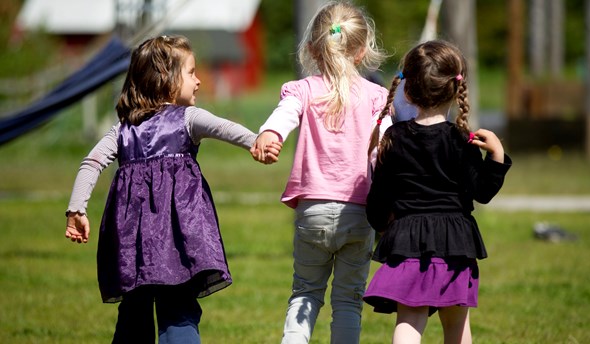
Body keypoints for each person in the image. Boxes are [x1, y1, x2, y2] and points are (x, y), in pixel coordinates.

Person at [64, 35, 281, 344]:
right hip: (179, 241)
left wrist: (76, 208)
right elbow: (225, 127)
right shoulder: (186, 119)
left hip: (133, 246)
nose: (199, 80)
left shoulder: (124, 130)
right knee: (178, 309)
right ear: (166, 80)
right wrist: (255, 140)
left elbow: (91, 163)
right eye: (191, 72)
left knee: (133, 313)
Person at [250, 1, 389, 343]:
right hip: (360, 213)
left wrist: (270, 134)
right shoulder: (376, 97)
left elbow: (285, 114)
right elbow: (389, 142)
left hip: (312, 212)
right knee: (347, 301)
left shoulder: (305, 90)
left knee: (305, 295)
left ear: (312, 48)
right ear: (362, 52)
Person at [363, 40, 512, 344]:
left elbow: (378, 200)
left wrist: (382, 223)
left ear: (408, 88)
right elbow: (482, 192)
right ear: (456, 88)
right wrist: (496, 155)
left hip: (407, 242)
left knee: (410, 320)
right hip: (455, 244)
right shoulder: (461, 141)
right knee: (457, 326)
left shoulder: (393, 138)